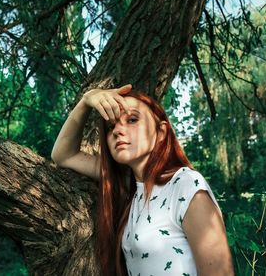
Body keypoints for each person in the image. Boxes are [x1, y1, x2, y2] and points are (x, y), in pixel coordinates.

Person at [51, 84, 234, 276]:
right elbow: (63, 155)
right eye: (111, 126)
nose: (117, 131)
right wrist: (86, 100)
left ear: (161, 133)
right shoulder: (126, 183)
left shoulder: (185, 185)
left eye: (132, 119)